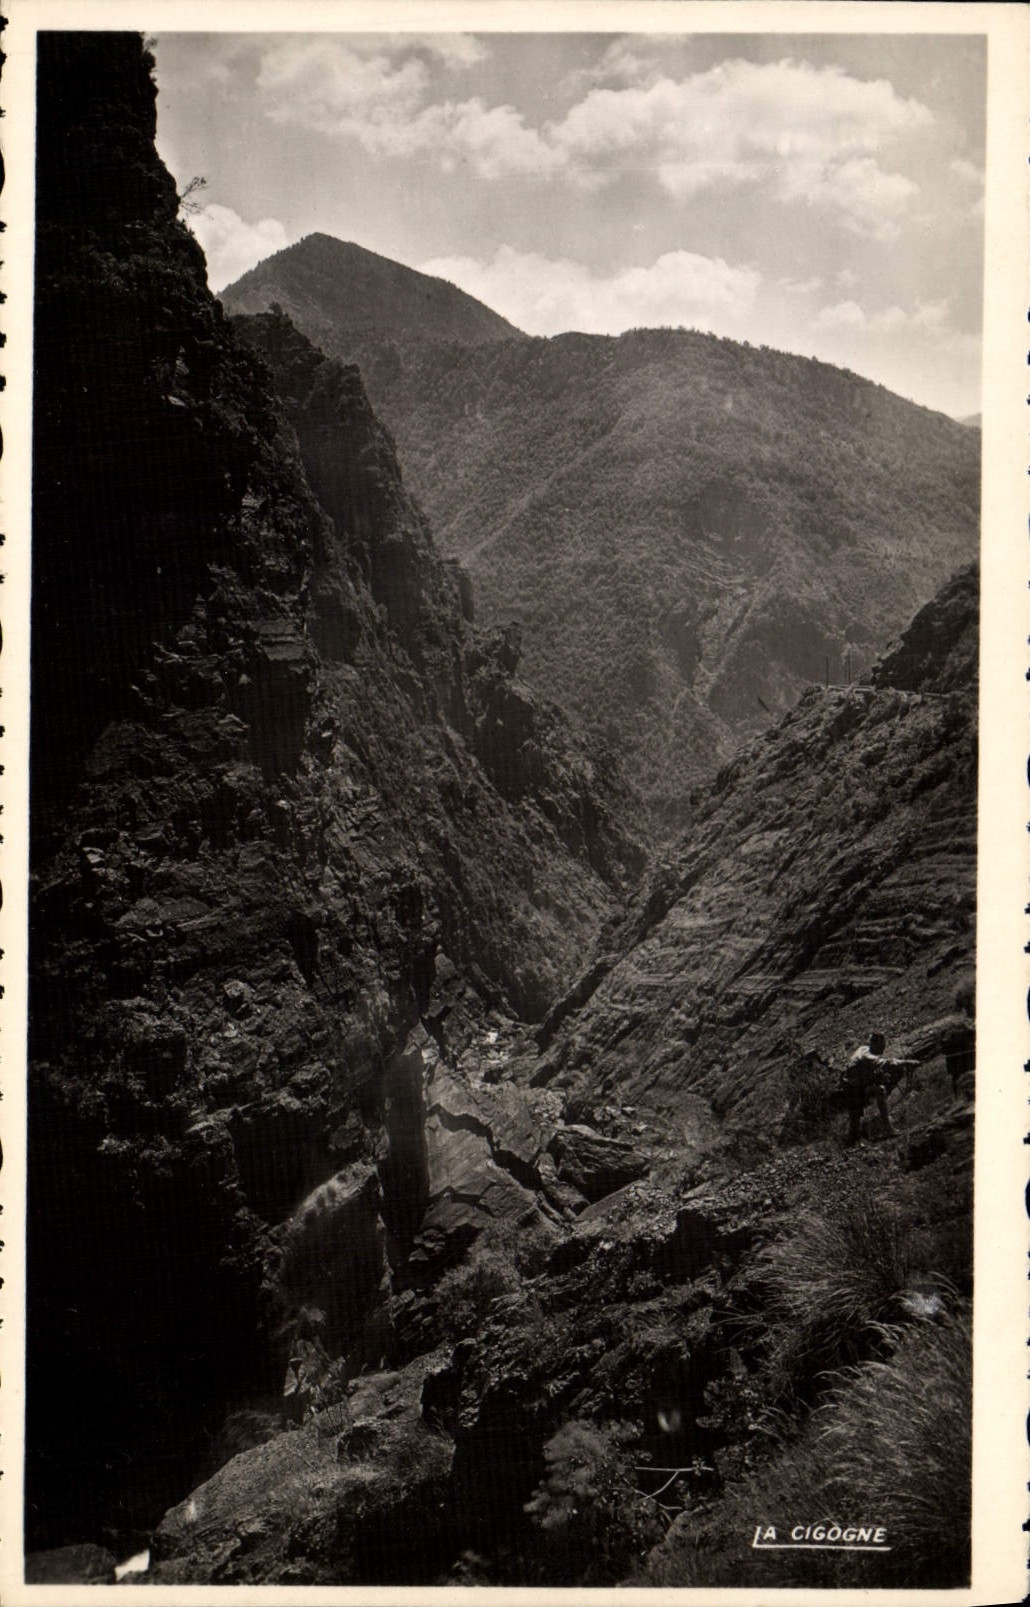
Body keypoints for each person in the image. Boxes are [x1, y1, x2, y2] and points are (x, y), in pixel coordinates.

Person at [841, 1032, 916, 1144]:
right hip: (853, 1090)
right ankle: (884, 1129)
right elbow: (889, 1063)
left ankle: (880, 1129)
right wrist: (908, 1062)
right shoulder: (867, 1056)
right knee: (855, 1124)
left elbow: (867, 1070)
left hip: (853, 1086)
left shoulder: (864, 1049)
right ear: (874, 1044)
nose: (883, 1049)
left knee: (879, 1090)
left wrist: (877, 1076)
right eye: (881, 1046)